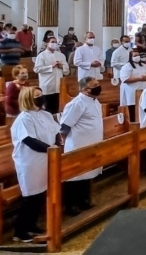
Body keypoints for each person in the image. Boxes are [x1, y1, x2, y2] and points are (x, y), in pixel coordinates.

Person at [10, 86, 59, 243]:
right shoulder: (24, 118)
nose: (41, 97)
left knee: (40, 195)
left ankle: (31, 225)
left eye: (41, 94)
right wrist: (51, 149)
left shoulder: (45, 114)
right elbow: (29, 140)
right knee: (31, 196)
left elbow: (55, 131)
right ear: (28, 99)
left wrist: (57, 144)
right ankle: (20, 230)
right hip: (30, 161)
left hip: (46, 159)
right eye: (37, 96)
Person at [58, 78, 104, 215]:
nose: (98, 87)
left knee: (88, 173)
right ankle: (71, 205)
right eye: (94, 86)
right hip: (78, 145)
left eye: (98, 84)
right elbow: (65, 127)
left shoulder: (96, 101)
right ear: (85, 89)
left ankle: (84, 200)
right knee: (75, 177)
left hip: (92, 143)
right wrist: (64, 145)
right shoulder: (76, 104)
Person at [34, 36, 69, 114]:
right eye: (52, 42)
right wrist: (51, 66)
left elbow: (67, 70)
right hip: (47, 85)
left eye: (55, 42)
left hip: (58, 86)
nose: (54, 44)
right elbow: (37, 69)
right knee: (47, 108)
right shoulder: (41, 55)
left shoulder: (61, 55)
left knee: (56, 108)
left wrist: (61, 66)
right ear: (47, 43)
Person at [118, 50, 146, 122]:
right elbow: (125, 79)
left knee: (143, 106)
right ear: (131, 57)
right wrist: (139, 78)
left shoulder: (144, 65)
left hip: (142, 89)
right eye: (135, 56)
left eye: (138, 55)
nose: (137, 57)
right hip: (131, 91)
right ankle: (132, 122)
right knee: (132, 108)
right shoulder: (127, 66)